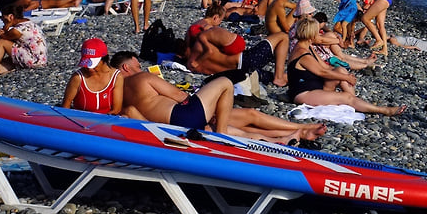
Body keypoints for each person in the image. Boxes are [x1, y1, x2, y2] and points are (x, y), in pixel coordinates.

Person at [111, 52, 323, 144]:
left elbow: (134, 114)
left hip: (174, 126)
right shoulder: (142, 78)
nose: (141, 68)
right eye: (137, 65)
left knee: (246, 119)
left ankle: (293, 134)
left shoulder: (119, 93)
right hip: (183, 115)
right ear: (126, 67)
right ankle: (222, 135)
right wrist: (206, 106)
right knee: (225, 83)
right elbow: (179, 95)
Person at [287, 18, 405, 116]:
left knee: (340, 70)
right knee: (346, 96)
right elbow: (322, 72)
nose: (319, 34)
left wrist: (344, 74)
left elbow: (326, 67)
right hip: (304, 93)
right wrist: (347, 78)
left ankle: (355, 102)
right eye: (317, 32)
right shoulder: (302, 53)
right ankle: (383, 110)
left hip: (315, 86)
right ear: (312, 35)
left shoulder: (308, 47)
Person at [184, 4, 290, 87]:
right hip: (246, 60)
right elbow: (232, 44)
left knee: (282, 77)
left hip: (238, 73)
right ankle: (278, 77)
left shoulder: (195, 62)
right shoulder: (207, 36)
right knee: (283, 37)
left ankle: (280, 77)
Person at [0, 3, 48, 78]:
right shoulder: (30, 24)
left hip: (34, 61)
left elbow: (3, 39)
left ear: (11, 16)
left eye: (3, 17)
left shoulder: (17, 30)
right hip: (41, 60)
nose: (2, 19)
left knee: (2, 42)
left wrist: (5, 29)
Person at [60, 38, 123, 115]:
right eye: (86, 64)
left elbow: (116, 109)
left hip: (106, 119)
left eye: (93, 65)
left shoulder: (117, 77)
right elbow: (66, 105)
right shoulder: (77, 78)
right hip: (80, 119)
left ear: (104, 59)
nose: (89, 69)